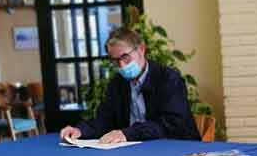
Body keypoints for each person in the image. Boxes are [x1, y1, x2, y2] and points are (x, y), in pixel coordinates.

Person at [60, 27, 200, 143]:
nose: (121, 65)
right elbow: (104, 120)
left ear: (141, 49)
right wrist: (80, 130)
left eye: (125, 57)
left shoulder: (168, 78)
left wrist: (127, 133)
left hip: (175, 147)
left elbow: (171, 123)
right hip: (136, 151)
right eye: (115, 60)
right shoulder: (117, 83)